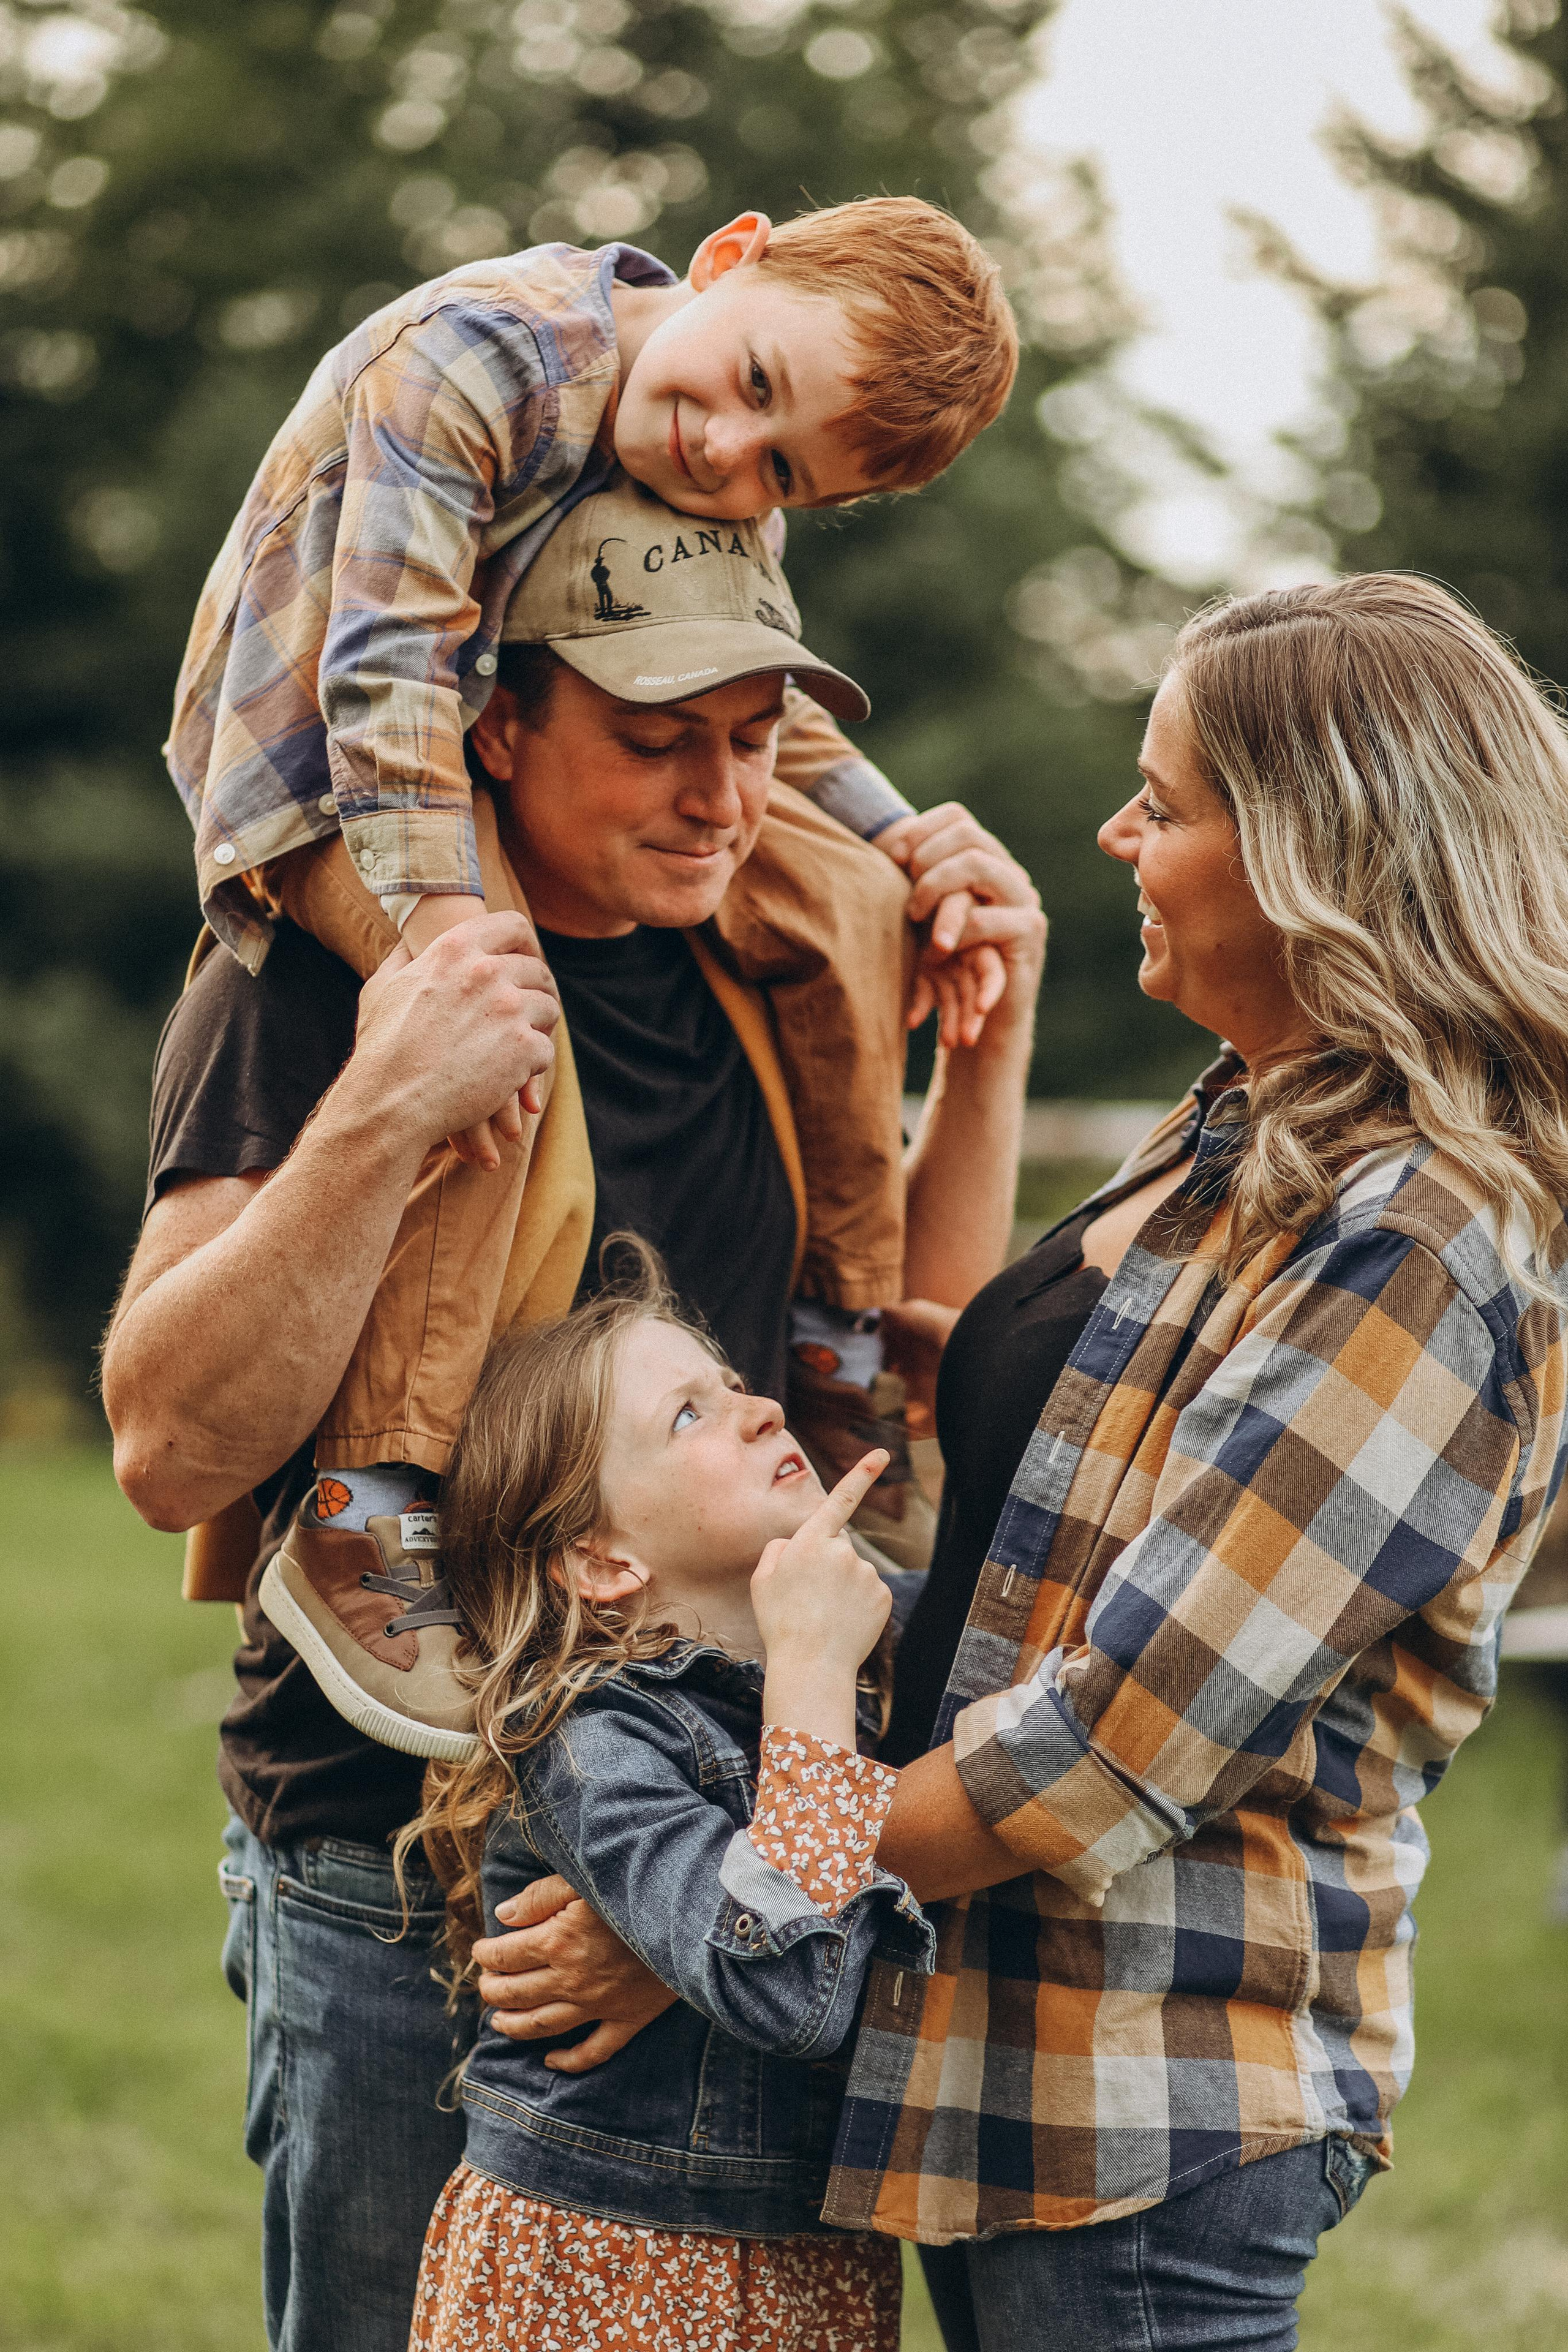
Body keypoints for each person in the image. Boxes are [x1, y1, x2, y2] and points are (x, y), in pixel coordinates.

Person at [477, 573, 1568, 2350]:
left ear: (1316, 850)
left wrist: (712, 1902)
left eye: (1174, 799)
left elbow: (1119, 1731)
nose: (1120, 829)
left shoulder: (1420, 1234)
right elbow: (1055, 1526)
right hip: (1010, 2073)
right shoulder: (1239, 1124)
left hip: (1142, 2089)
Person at [104, 507, 1045, 2348]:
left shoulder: (757, 973)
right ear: (500, 726)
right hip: (399, 1879)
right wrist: (384, 1112)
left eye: (753, 738)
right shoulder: (315, 977)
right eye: (654, 735)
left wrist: (984, 1048)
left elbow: (875, 1368)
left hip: (712, 1854)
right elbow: (163, 1448)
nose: (718, 794)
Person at [165, 195, 1020, 1571]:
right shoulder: (474, 361)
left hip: (731, 1716)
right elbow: (392, 671)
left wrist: (904, 847)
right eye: (751, 385)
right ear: (726, 258)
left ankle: (842, 1369)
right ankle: (371, 1505)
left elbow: (773, 717)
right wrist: (452, 947)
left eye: (783, 473)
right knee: (478, 1017)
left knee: (849, 896)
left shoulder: (712, 485)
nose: (728, 454)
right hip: (325, 773)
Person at [399, 1246, 930, 2351]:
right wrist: (814, 1671)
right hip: (610, 2265)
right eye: (689, 1414)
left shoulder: (859, 1641)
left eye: (732, 1382)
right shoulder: (597, 1741)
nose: (759, 1406)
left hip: (803, 2263)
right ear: (600, 1561)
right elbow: (791, 1989)